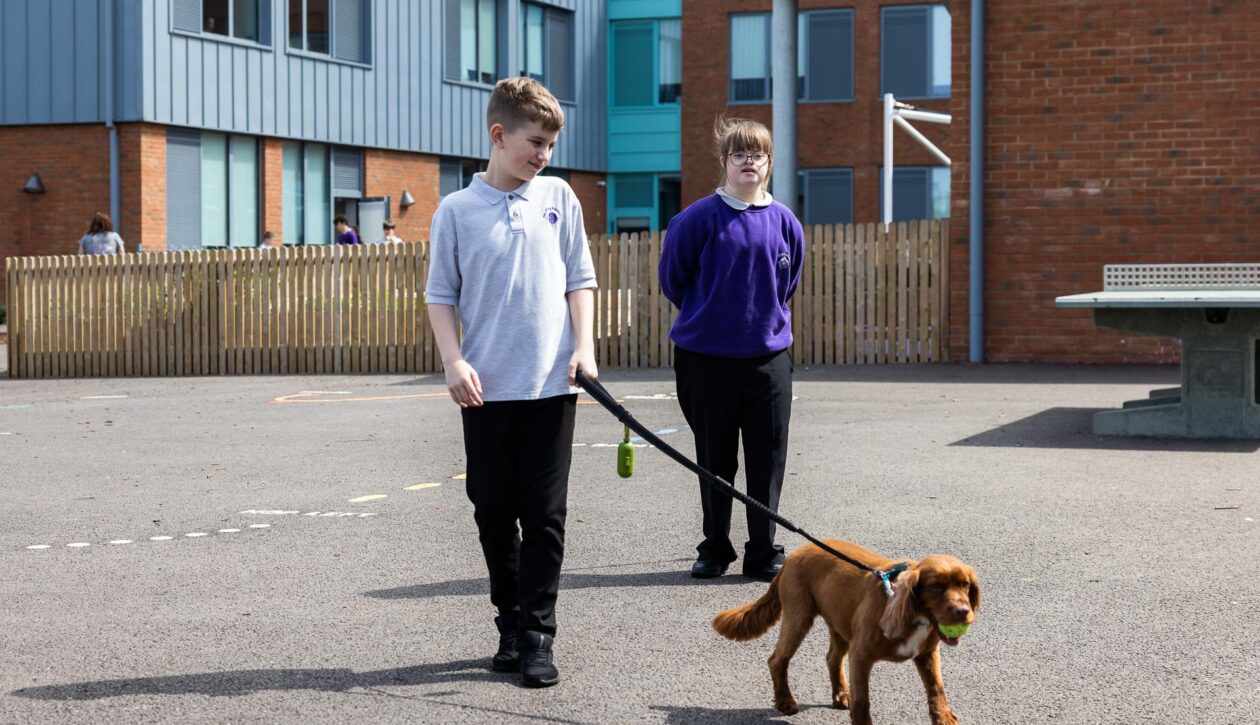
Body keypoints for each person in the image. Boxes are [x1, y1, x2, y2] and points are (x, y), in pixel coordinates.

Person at [425, 77, 596, 689]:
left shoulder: (559, 197)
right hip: (486, 389)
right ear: (499, 136)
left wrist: (585, 347)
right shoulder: (456, 211)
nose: (544, 154)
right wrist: (453, 360)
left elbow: (581, 277)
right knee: (494, 511)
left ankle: (537, 635)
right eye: (535, 142)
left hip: (553, 386)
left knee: (544, 513)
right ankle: (509, 621)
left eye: (550, 144)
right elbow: (441, 294)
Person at [658, 117, 805, 583]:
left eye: (757, 154)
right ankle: (714, 547)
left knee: (767, 458)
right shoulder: (696, 219)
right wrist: (712, 320)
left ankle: (762, 552)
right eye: (738, 154)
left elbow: (789, 282)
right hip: (706, 361)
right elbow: (673, 280)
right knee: (714, 457)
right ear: (724, 162)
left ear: (768, 163)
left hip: (768, 360)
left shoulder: (785, 222)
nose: (748, 162)